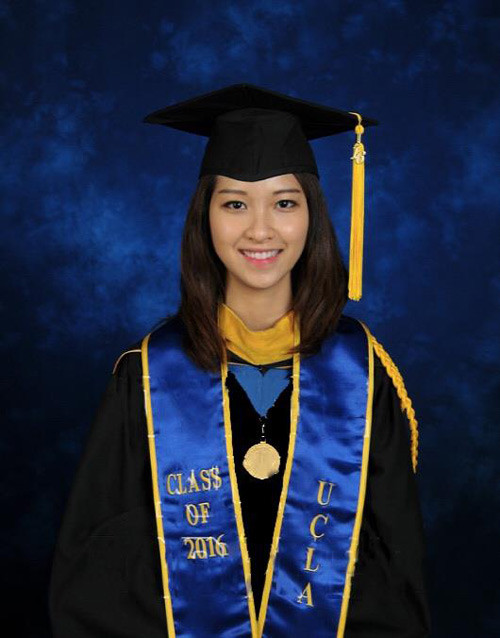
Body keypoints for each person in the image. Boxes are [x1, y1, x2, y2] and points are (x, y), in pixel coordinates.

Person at [49, 83, 431, 637]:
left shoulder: (364, 376)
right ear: (204, 217)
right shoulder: (148, 376)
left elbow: (394, 570)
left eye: (284, 203)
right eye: (234, 203)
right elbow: (99, 573)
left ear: (312, 216)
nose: (260, 229)